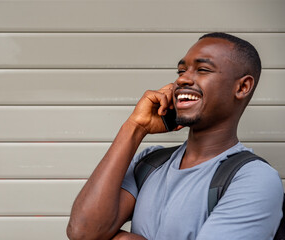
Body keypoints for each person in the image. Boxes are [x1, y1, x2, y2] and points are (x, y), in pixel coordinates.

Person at [66, 32, 284, 240]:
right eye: (181, 71)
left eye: (203, 70)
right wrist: (135, 127)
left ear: (242, 87)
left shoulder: (253, 179)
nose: (182, 80)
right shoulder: (150, 162)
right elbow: (83, 232)